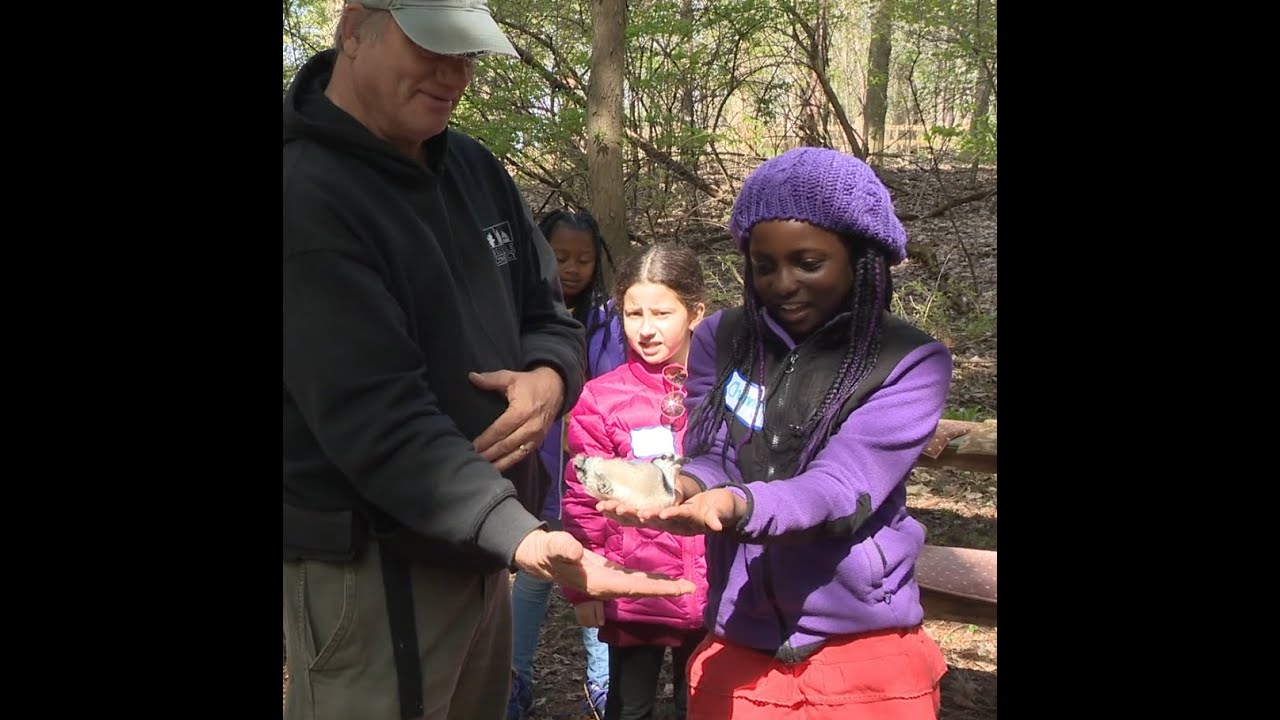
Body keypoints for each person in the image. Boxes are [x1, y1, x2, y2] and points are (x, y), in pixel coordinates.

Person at [282, 3, 693, 720]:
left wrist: (549, 378)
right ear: (354, 30)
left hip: (485, 553)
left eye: (467, 53)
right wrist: (522, 535)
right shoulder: (307, 196)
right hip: (376, 567)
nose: (455, 74)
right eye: (432, 48)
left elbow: (548, 314)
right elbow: (378, 417)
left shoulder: (472, 168)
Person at [597, 147, 954, 719]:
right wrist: (683, 487)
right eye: (765, 266)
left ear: (861, 258)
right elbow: (714, 447)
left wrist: (738, 505)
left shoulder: (909, 361)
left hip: (859, 642)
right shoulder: (723, 338)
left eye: (808, 262)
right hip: (740, 631)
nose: (783, 283)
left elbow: (843, 485)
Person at [562, 243, 711, 720]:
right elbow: (582, 500)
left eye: (662, 313)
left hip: (717, 591)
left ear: (695, 313)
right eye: (632, 313)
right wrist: (585, 590)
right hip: (637, 590)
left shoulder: (729, 390)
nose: (645, 329)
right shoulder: (602, 399)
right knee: (631, 708)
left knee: (706, 706)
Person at [508, 210, 623, 720]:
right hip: (535, 476)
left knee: (591, 574)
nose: (572, 269)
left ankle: (603, 683)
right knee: (533, 576)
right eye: (559, 258)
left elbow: (618, 389)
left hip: (589, 479)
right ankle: (515, 681)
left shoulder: (609, 322)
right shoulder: (517, 315)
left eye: (583, 259)